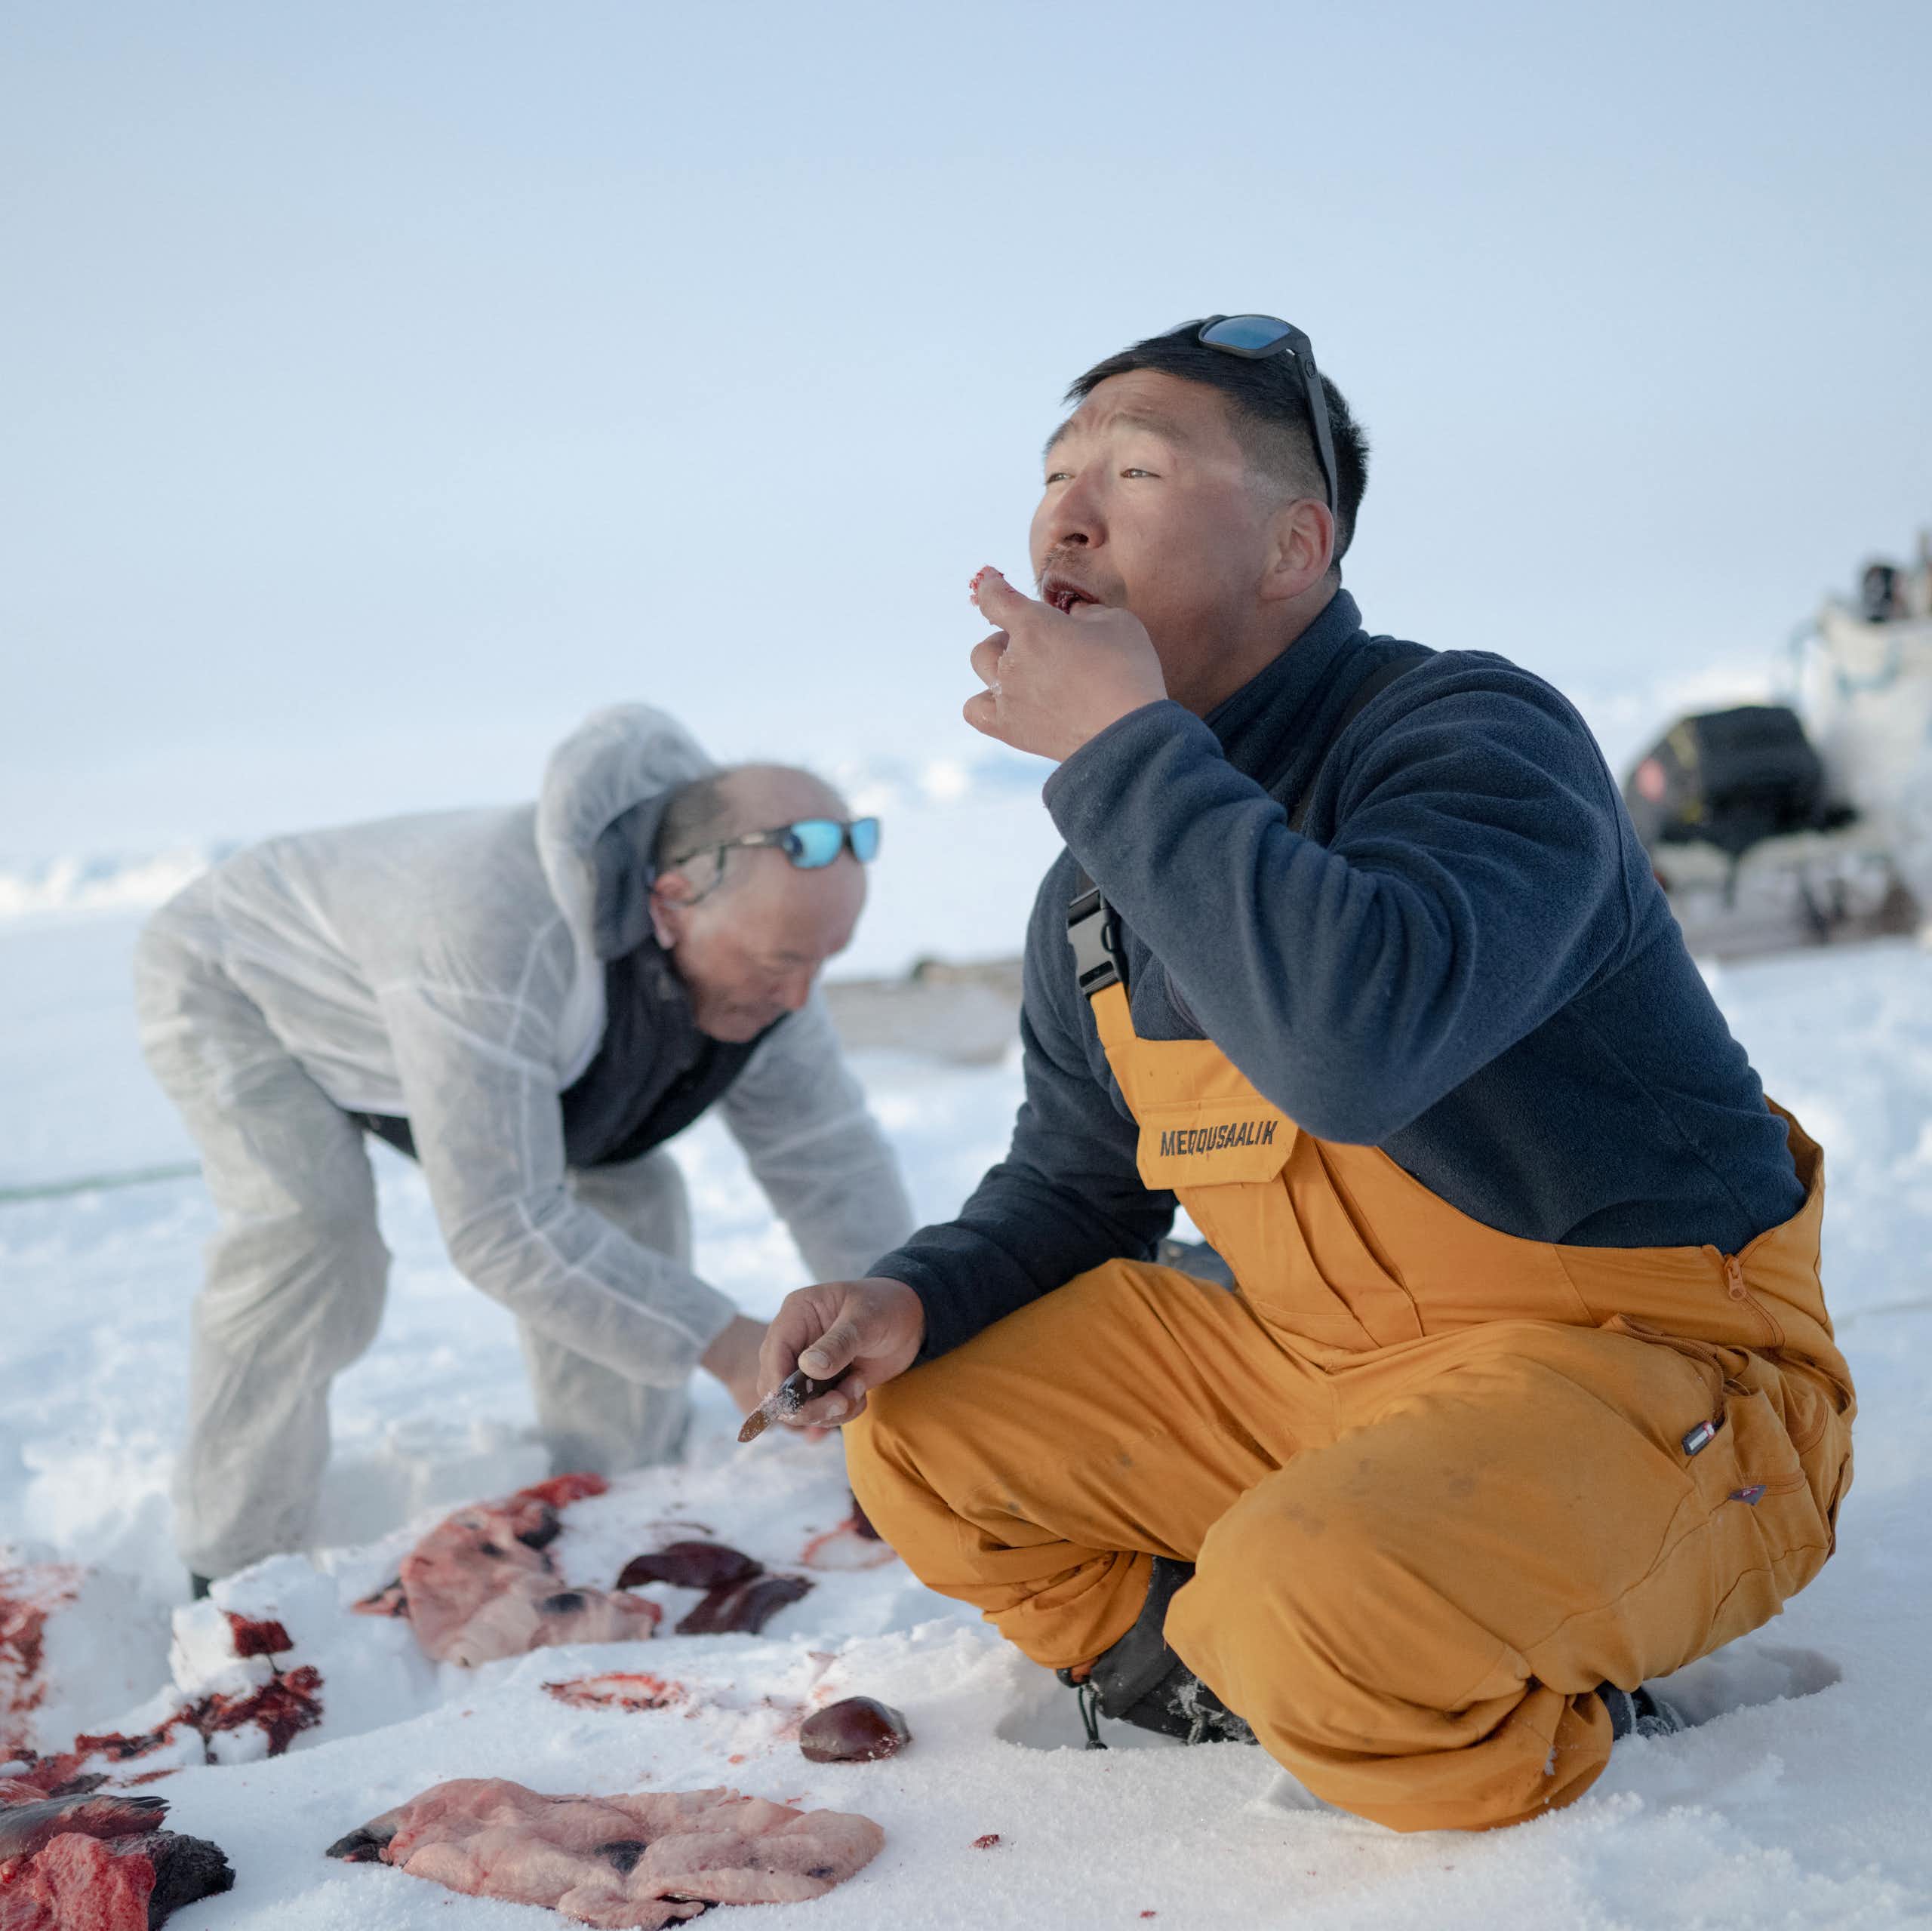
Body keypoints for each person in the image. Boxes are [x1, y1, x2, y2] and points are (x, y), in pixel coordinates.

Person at [756, 316, 1854, 1834]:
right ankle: (1198, 1684)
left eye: (1133, 470)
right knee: (922, 1423)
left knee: (1303, 1603)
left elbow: (1358, 1039)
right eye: (1053, 476)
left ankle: (1515, 1736)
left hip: (1644, 1380)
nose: (1064, 516)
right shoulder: (1097, 880)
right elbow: (1076, 1181)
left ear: (1292, 545)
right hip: (1320, 1380)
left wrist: (1122, 749)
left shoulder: (1472, 738)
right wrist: (914, 1293)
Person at [135, 705, 914, 1589]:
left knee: (628, 1187)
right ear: (670, 904)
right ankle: (231, 1561)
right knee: (312, 1242)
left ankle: (612, 1494)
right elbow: (501, 1224)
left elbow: (829, 1158)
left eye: (828, 959)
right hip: (247, 984)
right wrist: (727, 1344)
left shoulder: (771, 947)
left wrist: (892, 1318)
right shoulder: (491, 931)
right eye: (781, 964)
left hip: (492, 1032)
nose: (801, 996)